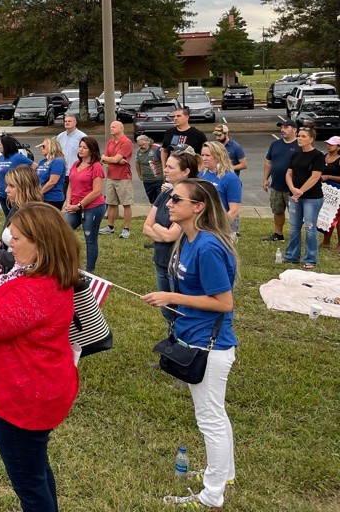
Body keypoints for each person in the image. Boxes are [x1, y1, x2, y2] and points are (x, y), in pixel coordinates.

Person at [0, 202, 80, 512]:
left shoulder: (37, 288)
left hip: (26, 400)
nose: (10, 242)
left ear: (41, 244)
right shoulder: (40, 276)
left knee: (29, 480)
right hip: (35, 392)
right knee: (34, 469)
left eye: (18, 238)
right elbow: (6, 306)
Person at [142, 179, 238, 511]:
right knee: (215, 414)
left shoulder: (208, 246)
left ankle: (213, 495)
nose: (168, 203)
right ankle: (222, 473)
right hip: (195, 338)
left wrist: (172, 296)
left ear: (198, 207)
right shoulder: (190, 237)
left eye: (176, 199)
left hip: (210, 347)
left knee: (209, 418)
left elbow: (224, 302)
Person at [142, 149, 200, 333]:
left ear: (186, 172)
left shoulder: (190, 199)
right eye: (165, 166)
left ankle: (181, 349)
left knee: (179, 310)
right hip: (161, 259)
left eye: (170, 167)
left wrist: (157, 228)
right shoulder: (165, 194)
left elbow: (170, 236)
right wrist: (162, 230)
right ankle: (171, 348)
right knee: (166, 311)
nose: (165, 170)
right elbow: (145, 227)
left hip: (178, 265)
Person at [284, 126, 326, 269]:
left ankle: (310, 259)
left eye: (303, 136)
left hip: (312, 198)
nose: (300, 139)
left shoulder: (318, 155)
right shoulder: (295, 154)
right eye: (299, 136)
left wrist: (300, 191)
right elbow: (289, 174)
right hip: (295, 197)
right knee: (294, 227)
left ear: (311, 139)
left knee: (309, 227)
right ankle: (292, 256)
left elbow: (315, 177)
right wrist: (292, 189)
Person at [64, 136, 107, 273]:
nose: (81, 149)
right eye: (80, 146)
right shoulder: (75, 164)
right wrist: (69, 202)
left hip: (92, 207)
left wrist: (80, 205)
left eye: (84, 147)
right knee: (63, 231)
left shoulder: (96, 167)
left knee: (90, 239)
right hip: (74, 206)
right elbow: (70, 184)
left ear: (91, 150)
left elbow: (96, 191)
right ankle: (67, 263)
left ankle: (90, 270)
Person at [262, 119, 299, 243]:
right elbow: (269, 162)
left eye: (286, 127)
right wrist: (265, 178)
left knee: (295, 214)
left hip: (293, 188)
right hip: (276, 186)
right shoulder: (275, 144)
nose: (282, 130)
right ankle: (278, 234)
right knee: (277, 211)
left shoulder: (300, 145)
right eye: (282, 127)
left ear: (294, 130)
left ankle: (295, 236)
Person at [99, 120, 134, 239]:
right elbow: (103, 158)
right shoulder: (110, 142)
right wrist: (113, 159)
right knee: (110, 203)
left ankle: (126, 229)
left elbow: (112, 159)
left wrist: (112, 159)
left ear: (121, 128)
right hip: (110, 176)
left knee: (126, 203)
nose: (111, 128)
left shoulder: (126, 142)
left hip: (123, 177)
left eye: (113, 127)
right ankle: (110, 226)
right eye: (110, 126)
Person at [199, 142, 242, 234]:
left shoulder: (231, 179)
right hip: (202, 224)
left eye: (207, 155)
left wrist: (219, 227)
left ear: (219, 156)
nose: (203, 158)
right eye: (202, 155)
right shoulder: (201, 175)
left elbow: (234, 210)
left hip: (221, 228)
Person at [0, 134, 32, 222]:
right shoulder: (1, 158)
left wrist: (22, 178)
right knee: (8, 218)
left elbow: (34, 166)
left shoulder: (18, 157)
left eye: (0, 145)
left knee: (16, 217)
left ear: (6, 145)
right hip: (2, 192)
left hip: (14, 194)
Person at [55, 113, 87, 188]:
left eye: (69, 121)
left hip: (77, 172)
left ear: (75, 122)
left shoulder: (82, 137)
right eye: (65, 121)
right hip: (63, 173)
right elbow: (57, 153)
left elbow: (86, 154)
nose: (67, 123)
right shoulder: (60, 136)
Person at [320, 136, 340, 251]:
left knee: (338, 219)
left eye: (331, 144)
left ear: (338, 147)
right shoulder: (323, 157)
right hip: (326, 191)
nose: (328, 146)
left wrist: (328, 176)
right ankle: (326, 241)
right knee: (328, 215)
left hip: (338, 191)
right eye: (327, 144)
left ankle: (339, 244)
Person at [34, 138, 66, 209]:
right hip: (42, 197)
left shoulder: (57, 162)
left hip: (52, 198)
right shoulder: (42, 162)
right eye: (41, 146)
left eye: (43, 146)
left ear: (52, 147)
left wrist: (39, 193)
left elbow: (52, 181)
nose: (41, 148)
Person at [135, 133, 166, 204]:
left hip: (159, 179)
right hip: (147, 180)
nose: (141, 147)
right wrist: (139, 175)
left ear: (148, 142)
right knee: (152, 201)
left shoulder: (157, 148)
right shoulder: (138, 151)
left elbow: (165, 159)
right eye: (139, 145)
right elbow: (137, 163)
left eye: (142, 145)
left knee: (160, 200)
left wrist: (165, 173)